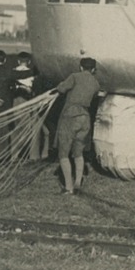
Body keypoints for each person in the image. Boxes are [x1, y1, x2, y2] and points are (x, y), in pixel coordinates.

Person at [52, 57, 102, 195]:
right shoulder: (95, 83)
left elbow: (61, 88)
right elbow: (96, 94)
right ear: (93, 69)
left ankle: (68, 187)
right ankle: (78, 183)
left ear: (81, 67)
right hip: (85, 118)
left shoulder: (74, 76)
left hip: (70, 116)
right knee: (78, 153)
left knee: (63, 153)